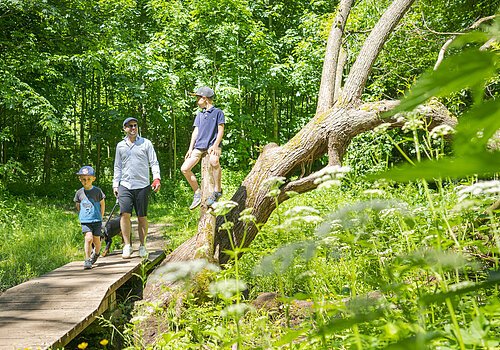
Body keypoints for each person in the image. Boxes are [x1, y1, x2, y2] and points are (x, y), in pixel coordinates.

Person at [113, 117, 161, 259]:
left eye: (135, 125)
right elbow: (117, 166)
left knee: (142, 217)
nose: (133, 128)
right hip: (125, 185)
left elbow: (154, 162)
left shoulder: (146, 143)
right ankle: (127, 245)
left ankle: (142, 246)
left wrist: (156, 178)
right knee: (124, 214)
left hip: (142, 185)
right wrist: (115, 184)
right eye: (130, 126)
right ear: (125, 129)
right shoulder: (120, 146)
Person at [181, 86, 225, 210]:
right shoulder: (200, 115)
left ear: (204, 98)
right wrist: (190, 148)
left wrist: (216, 145)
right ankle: (197, 192)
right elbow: (195, 132)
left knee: (214, 161)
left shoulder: (218, 112)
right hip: (199, 146)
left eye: (198, 98)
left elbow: (221, 130)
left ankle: (217, 191)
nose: (197, 101)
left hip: (212, 145)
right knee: (184, 168)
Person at [74, 165, 106, 270]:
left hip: (96, 220)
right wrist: (82, 215)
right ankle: (87, 259)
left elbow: (102, 204)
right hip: (85, 221)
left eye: (88, 179)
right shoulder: (79, 193)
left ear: (93, 179)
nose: (86, 181)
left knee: (96, 240)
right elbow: (78, 206)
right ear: (80, 179)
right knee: (88, 238)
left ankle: (96, 253)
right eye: (83, 179)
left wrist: (101, 216)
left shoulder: (97, 191)